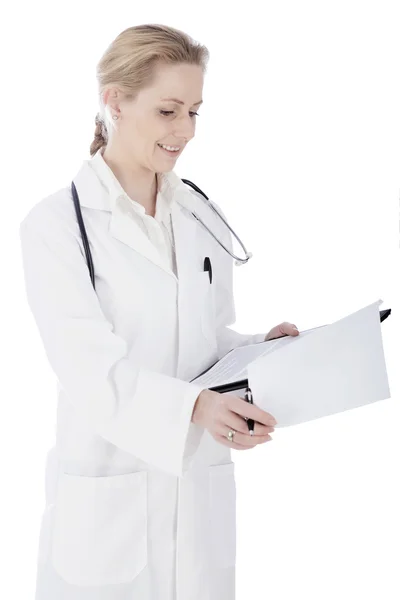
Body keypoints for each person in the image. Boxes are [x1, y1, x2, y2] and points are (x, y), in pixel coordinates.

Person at [19, 23, 299, 600]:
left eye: (195, 112)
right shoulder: (55, 227)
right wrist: (194, 406)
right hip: (107, 517)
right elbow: (90, 371)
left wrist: (258, 349)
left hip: (198, 500)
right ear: (114, 101)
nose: (185, 132)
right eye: (168, 111)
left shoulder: (197, 212)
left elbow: (204, 339)